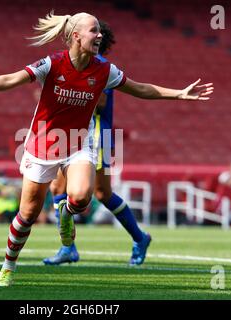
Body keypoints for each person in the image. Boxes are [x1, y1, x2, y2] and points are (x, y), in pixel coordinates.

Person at [0, 11, 213, 287]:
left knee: (83, 197)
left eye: (99, 31)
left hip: (78, 144)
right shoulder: (52, 64)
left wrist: (179, 93)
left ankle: (67, 215)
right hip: (42, 144)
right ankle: (8, 266)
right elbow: (11, 79)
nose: (100, 35)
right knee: (27, 215)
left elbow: (140, 88)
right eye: (94, 31)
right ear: (76, 36)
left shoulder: (105, 70)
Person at [43, 21, 151, 267]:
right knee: (58, 189)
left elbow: (100, 102)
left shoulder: (100, 67)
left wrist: (66, 93)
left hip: (96, 135)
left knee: (102, 193)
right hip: (72, 133)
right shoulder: (79, 63)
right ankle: (68, 247)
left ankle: (140, 237)